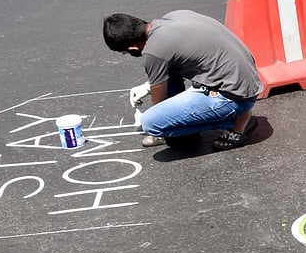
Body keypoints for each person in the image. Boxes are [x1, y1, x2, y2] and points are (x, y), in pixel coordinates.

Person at [103, 11, 263, 151]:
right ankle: (198, 126)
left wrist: (159, 124)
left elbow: (159, 109)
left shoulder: (153, 53)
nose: (125, 55)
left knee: (151, 123)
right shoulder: (174, 17)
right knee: (169, 69)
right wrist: (148, 86)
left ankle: (235, 122)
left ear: (132, 48)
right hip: (245, 80)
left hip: (235, 97)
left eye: (124, 52)